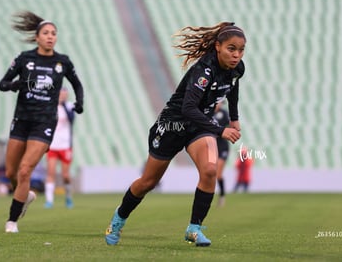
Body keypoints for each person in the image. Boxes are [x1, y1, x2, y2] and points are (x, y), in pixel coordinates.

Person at [105, 22, 246, 247]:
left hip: (199, 127)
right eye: (231, 48)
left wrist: (234, 119)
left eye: (240, 50)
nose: (237, 55)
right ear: (218, 46)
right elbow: (188, 109)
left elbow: (233, 89)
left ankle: (194, 229)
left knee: (210, 171)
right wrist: (220, 130)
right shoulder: (204, 70)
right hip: (173, 125)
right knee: (148, 182)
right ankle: (119, 218)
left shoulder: (237, 69)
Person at [0, 11, 84, 233]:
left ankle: (12, 221)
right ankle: (24, 196)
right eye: (46, 33)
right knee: (11, 173)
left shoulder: (62, 62)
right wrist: (15, 85)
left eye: (53, 33)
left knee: (25, 170)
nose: (50, 36)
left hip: (44, 122)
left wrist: (79, 103)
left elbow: (77, 84)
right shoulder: (24, 58)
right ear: (37, 37)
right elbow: (3, 84)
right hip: (22, 120)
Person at [44, 87, 75, 209]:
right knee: (50, 172)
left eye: (65, 94)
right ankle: (49, 200)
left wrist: (63, 105)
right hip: (53, 145)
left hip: (65, 145)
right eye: (61, 94)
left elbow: (72, 119)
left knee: (65, 175)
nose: (63, 96)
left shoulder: (69, 106)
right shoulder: (51, 106)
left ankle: (68, 197)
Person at [213, 102, 230, 207]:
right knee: (212, 172)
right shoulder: (208, 113)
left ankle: (222, 195)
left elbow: (227, 128)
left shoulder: (224, 113)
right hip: (212, 145)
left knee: (218, 173)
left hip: (222, 146)